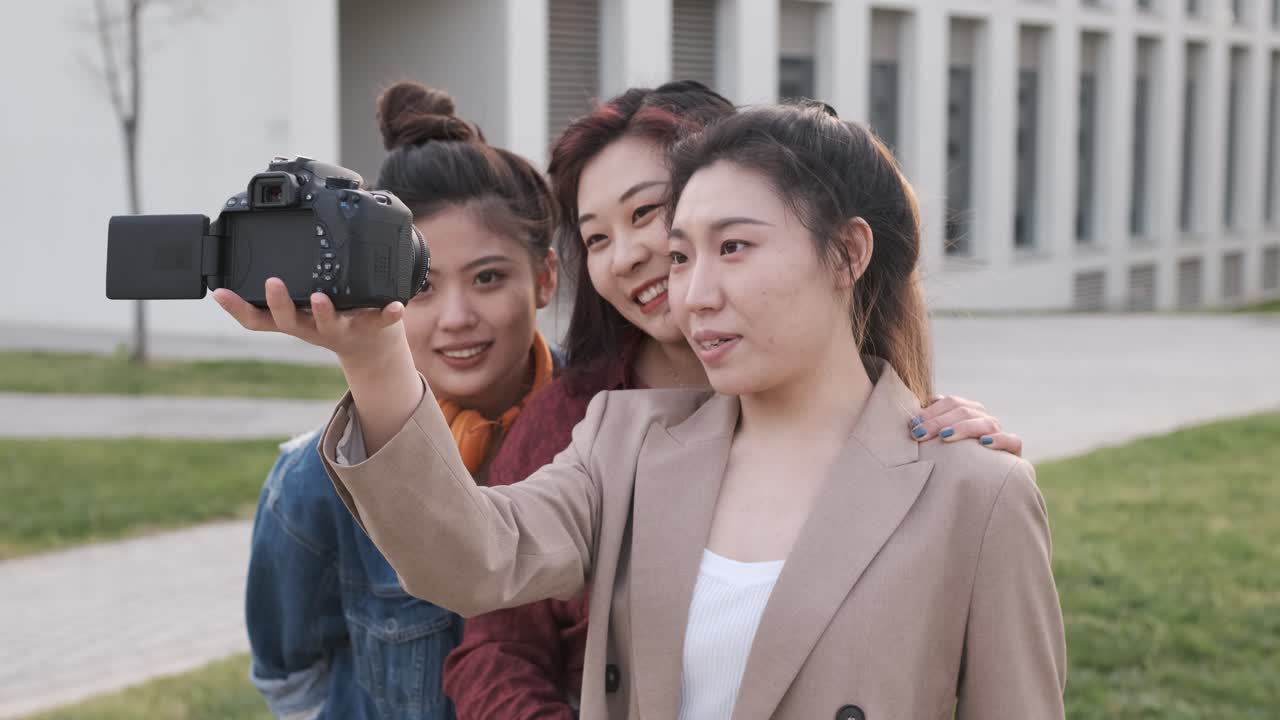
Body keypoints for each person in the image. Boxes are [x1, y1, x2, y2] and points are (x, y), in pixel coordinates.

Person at [217, 101, 1065, 718]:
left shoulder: (972, 492)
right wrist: (375, 352)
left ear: (846, 253)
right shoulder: (627, 440)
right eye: (684, 254)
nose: (693, 293)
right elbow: (468, 562)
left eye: (733, 247)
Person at [443, 81, 1023, 719]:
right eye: (597, 238)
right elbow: (492, 629)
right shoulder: (584, 422)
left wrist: (946, 456)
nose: (635, 257)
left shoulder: (940, 462)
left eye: (647, 214)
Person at [242, 81, 560, 720]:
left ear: (546, 278)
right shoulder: (313, 484)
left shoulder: (606, 434)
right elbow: (290, 680)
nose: (458, 318)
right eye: (422, 287)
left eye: (489, 278)